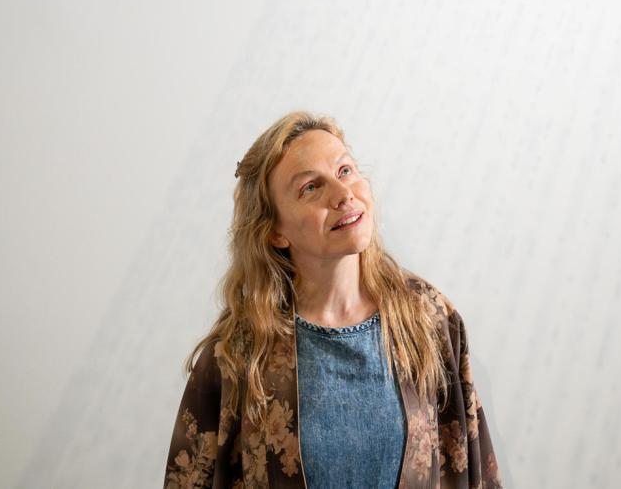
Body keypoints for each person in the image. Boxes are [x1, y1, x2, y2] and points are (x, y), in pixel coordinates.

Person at [163, 110, 502, 489]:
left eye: (345, 171)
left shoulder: (428, 318)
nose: (344, 195)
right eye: (311, 187)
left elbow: (476, 471)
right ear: (275, 231)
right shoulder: (239, 355)